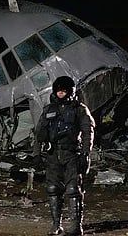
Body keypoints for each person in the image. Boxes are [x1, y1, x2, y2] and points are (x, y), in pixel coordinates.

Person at [33, 76, 95, 236]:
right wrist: (37, 154)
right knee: (53, 189)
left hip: (72, 154)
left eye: (64, 91)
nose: (61, 93)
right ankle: (56, 225)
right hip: (53, 154)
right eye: (58, 90)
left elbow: (88, 132)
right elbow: (39, 133)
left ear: (70, 92)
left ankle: (75, 227)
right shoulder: (48, 110)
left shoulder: (79, 109)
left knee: (74, 189)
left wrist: (85, 154)